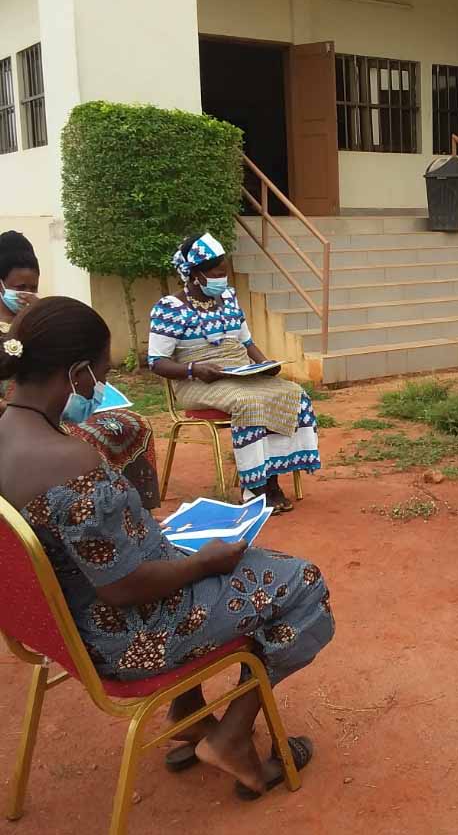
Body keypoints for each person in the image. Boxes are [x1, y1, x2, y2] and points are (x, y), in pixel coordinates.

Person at [0, 296, 335, 797]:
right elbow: (124, 586)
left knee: (198, 555)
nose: (101, 388)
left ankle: (188, 711)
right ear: (76, 374)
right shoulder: (69, 462)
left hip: (61, 627)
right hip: (127, 636)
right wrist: (205, 562)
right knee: (302, 583)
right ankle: (232, 737)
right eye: (101, 375)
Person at [148, 234, 321, 513]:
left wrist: (266, 365)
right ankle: (255, 488)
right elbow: (157, 362)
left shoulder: (228, 298)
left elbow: (247, 342)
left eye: (224, 274)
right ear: (196, 275)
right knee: (249, 402)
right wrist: (194, 369)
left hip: (240, 374)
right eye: (217, 275)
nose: (223, 280)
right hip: (196, 382)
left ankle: (271, 477)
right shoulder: (170, 309)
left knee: (293, 393)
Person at [0, 230, 160, 508]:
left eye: (33, 287)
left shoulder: (41, 320)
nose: (27, 295)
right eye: (20, 287)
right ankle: (97, 507)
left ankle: (136, 509)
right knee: (82, 442)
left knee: (132, 424)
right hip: (25, 418)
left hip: (56, 407)